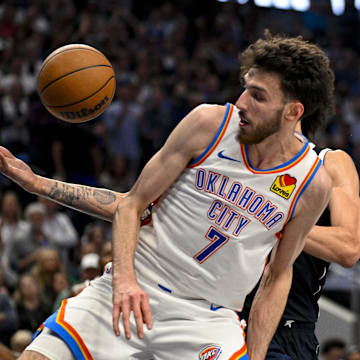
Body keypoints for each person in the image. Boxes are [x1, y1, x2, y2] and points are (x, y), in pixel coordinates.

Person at [0, 32, 334, 359]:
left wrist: (256, 355)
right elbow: (131, 204)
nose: (242, 102)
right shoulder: (209, 125)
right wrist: (125, 281)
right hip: (133, 285)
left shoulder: (312, 183)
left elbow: (278, 274)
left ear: (293, 112)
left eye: (258, 96)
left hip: (208, 318)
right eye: (245, 88)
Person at [240, 122, 360, 359]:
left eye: (259, 95)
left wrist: (274, 220)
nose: (243, 104)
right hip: (228, 318)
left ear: (294, 107)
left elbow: (349, 248)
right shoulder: (232, 161)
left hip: (290, 325)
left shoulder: (328, 163)